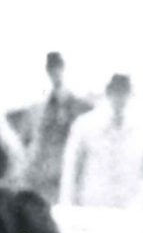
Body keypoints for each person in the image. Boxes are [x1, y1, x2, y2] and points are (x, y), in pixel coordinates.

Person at [59, 74, 143, 210]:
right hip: (92, 205)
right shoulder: (85, 125)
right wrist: (68, 205)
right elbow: (71, 168)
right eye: (115, 92)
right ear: (107, 93)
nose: (119, 98)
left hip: (130, 207)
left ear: (130, 94)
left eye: (124, 92)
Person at [15, 52, 91, 203]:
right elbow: (24, 143)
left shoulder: (80, 107)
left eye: (58, 67)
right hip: (41, 176)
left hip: (67, 177)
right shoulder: (35, 109)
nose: (55, 72)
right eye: (51, 68)